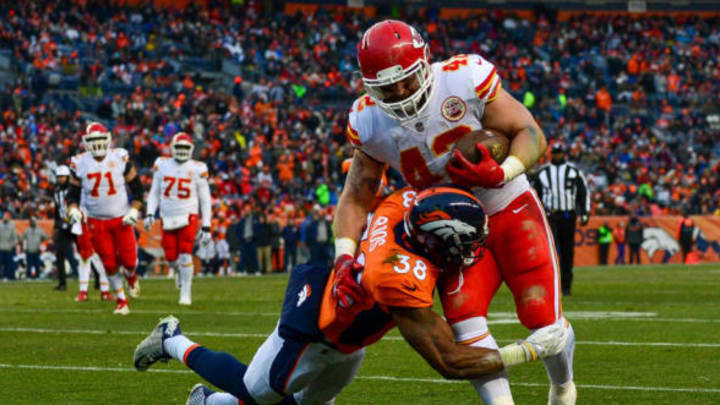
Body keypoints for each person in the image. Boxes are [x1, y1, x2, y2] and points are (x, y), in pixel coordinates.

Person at [133, 187, 570, 405]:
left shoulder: (405, 203)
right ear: (439, 239)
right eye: (467, 242)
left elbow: (366, 193)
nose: (473, 251)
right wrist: (527, 351)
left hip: (348, 326)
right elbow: (450, 361)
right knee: (256, 394)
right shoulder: (400, 275)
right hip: (313, 331)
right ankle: (172, 339)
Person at [334, 20, 576, 403]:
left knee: (541, 315)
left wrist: (503, 170)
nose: (398, 92)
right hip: (450, 228)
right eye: (386, 86)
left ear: (425, 63)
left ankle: (563, 386)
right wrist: (344, 256)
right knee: (465, 321)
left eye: (406, 81)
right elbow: (357, 195)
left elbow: (530, 133)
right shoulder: (368, 119)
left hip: (509, 204)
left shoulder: (464, 78)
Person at [67, 122, 144, 315]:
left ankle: (132, 276)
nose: (97, 143)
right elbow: (72, 194)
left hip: (120, 219)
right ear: (86, 141)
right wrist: (73, 210)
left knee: (129, 261)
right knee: (108, 263)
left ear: (108, 139)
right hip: (95, 221)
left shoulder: (120, 157)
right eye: (93, 140)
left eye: (100, 139)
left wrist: (134, 211)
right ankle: (121, 301)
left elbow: (138, 190)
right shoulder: (79, 162)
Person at [145, 132, 212, 305]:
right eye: (179, 147)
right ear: (172, 148)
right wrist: (150, 212)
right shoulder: (162, 165)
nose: (182, 151)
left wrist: (206, 225)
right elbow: (154, 192)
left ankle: (186, 293)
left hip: (188, 214)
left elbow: (205, 198)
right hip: (167, 216)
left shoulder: (198, 168)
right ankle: (179, 272)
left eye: (185, 147)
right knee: (171, 257)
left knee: (185, 253)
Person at [532, 143, 590, 296]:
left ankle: (566, 286)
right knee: (548, 251)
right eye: (555, 153)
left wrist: (585, 212)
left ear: (564, 154)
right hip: (550, 215)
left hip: (567, 215)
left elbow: (583, 192)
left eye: (559, 153)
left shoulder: (573, 171)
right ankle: (549, 283)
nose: (557, 156)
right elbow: (534, 195)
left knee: (567, 251)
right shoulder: (542, 172)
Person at [0, 213, 18, 281]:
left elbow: (14, 237)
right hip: (1, 248)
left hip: (8, 248)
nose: (5, 218)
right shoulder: (0, 225)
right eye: (4, 216)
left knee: (8, 264)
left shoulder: (12, 226)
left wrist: (12, 245)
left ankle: (7, 276)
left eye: (6, 217)